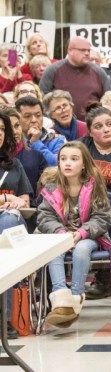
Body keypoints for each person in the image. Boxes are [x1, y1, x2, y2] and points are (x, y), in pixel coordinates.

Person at [35, 141, 111, 328]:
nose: (67, 163)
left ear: (84, 163)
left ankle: (76, 297)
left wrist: (80, 233)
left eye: (74, 159)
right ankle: (61, 298)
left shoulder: (94, 186)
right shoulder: (52, 187)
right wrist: (61, 233)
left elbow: (103, 218)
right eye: (63, 159)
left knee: (82, 250)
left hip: (89, 236)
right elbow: (44, 217)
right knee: (55, 249)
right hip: (60, 236)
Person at [79, 106, 111, 299]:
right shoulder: (81, 149)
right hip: (86, 211)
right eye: (99, 126)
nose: (106, 129)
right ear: (90, 131)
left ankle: (109, 276)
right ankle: (106, 276)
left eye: (109, 124)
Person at [0, 111, 35, 339]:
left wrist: (15, 201)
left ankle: (5, 318)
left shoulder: (14, 165)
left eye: (2, 130)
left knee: (11, 220)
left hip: (9, 225)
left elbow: (26, 201)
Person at [39, 36, 111, 119]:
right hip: (61, 126)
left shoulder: (98, 72)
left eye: (88, 50)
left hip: (93, 126)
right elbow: (42, 98)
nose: (87, 53)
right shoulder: (53, 70)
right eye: (82, 50)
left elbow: (110, 98)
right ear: (70, 51)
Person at [16, 96, 65, 166]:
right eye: (27, 116)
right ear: (17, 119)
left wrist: (35, 142)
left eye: (38, 115)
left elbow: (55, 166)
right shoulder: (13, 140)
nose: (34, 120)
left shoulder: (56, 140)